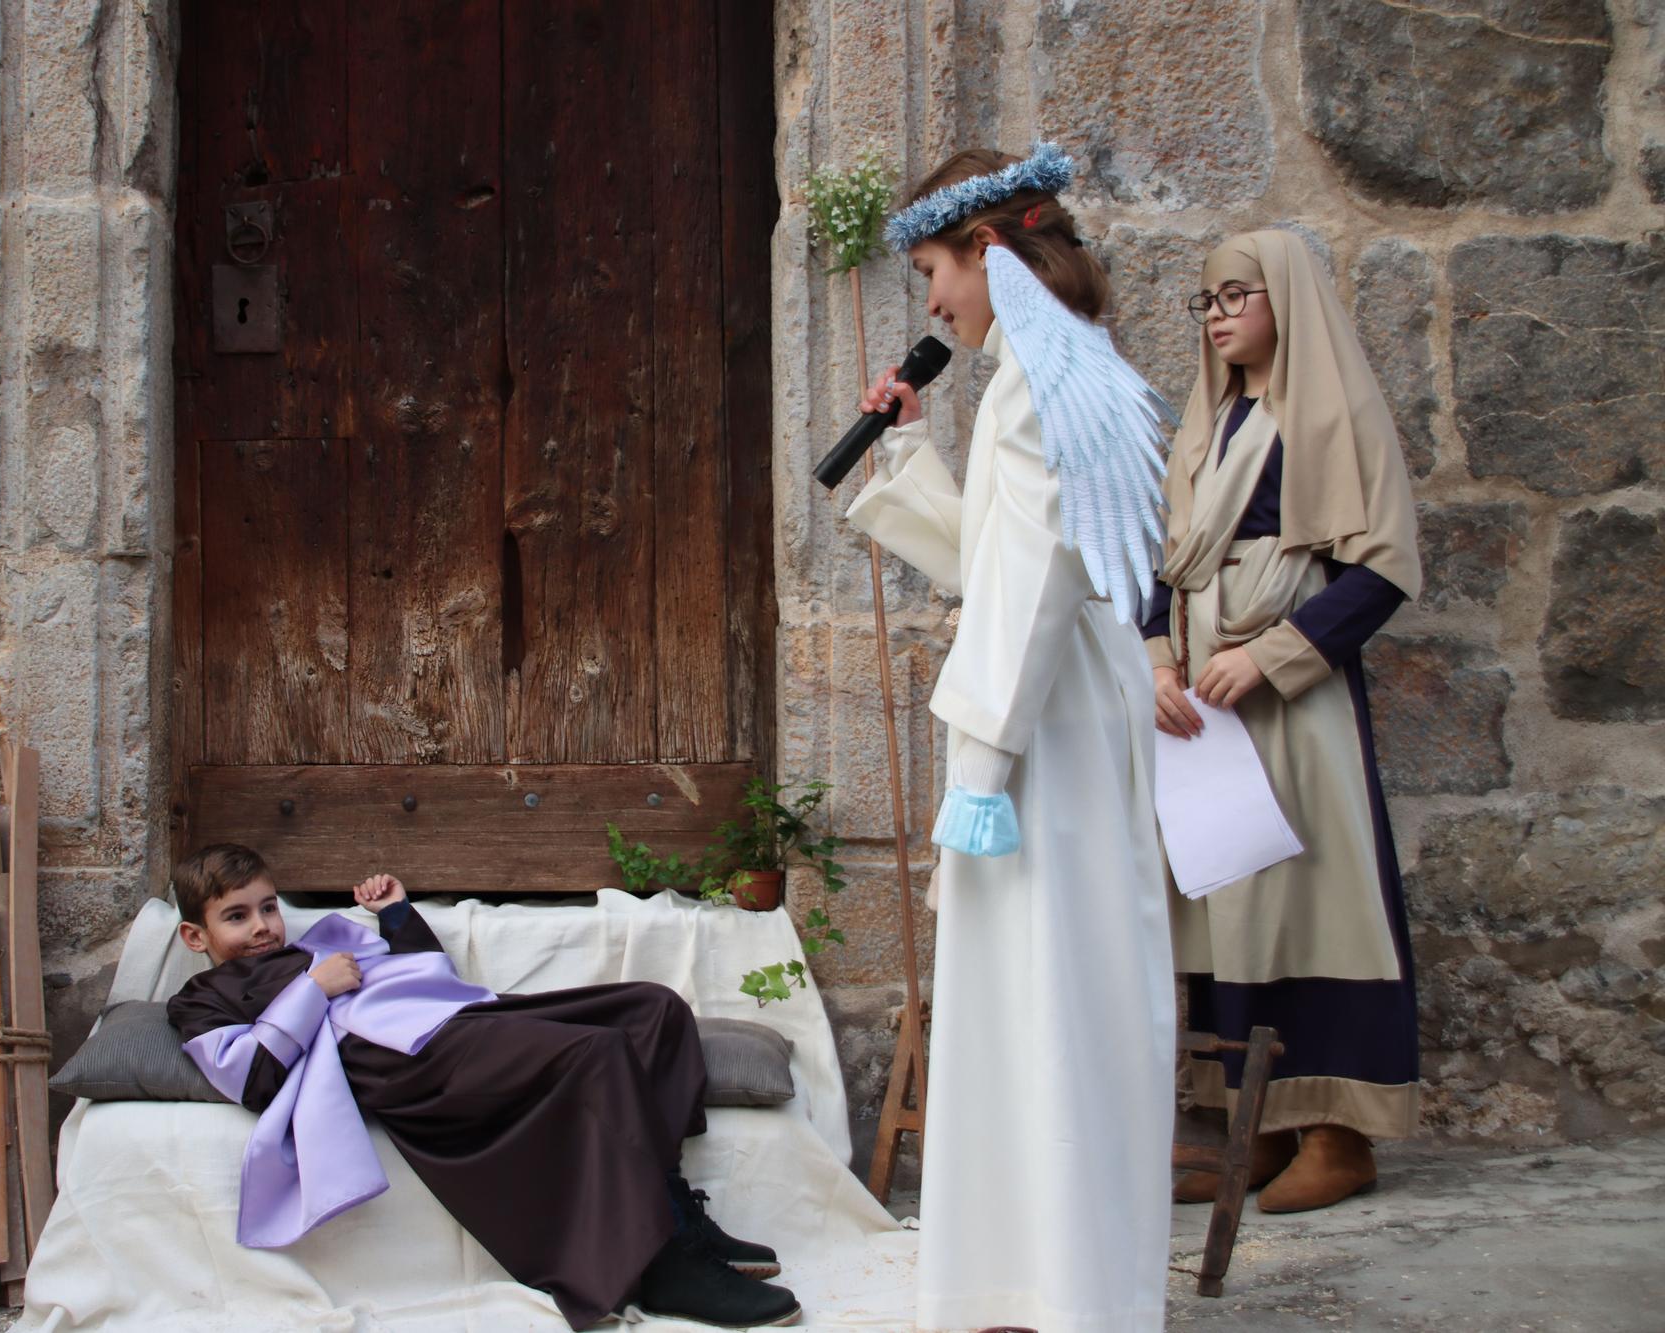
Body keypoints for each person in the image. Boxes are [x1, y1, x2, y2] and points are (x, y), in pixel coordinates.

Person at [846, 143, 1176, 1332]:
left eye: (933, 269)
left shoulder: (1041, 379)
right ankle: (1028, 1278)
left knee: (1056, 1000)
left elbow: (1033, 583)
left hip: (1040, 735)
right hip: (1040, 711)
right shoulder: (1037, 372)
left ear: (989, 250)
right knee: (1026, 1005)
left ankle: (1068, 1289)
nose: (931, 301)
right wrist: (904, 446)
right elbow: (996, 557)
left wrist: (980, 766)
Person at [164, 843, 799, 1330]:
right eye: (237, 917)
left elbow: (424, 975)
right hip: (401, 1057)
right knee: (598, 1053)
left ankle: (675, 1209)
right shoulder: (202, 999)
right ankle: (660, 1263)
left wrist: (394, 915)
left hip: (458, 1017)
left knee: (652, 1010)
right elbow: (251, 1076)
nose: (262, 927)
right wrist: (313, 989)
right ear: (196, 936)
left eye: (268, 907)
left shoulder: (321, 943)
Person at [1146, 230, 1423, 1213]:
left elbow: (1381, 567)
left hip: (1287, 705)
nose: (1217, 314)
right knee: (1227, 903)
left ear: (1285, 302)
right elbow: (1164, 558)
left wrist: (1266, 658)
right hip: (1201, 710)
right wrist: (1158, 657)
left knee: (1311, 900)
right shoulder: (1206, 424)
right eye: (1206, 300)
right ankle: (1250, 1125)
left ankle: (1336, 1133)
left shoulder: (1328, 415)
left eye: (1235, 296)